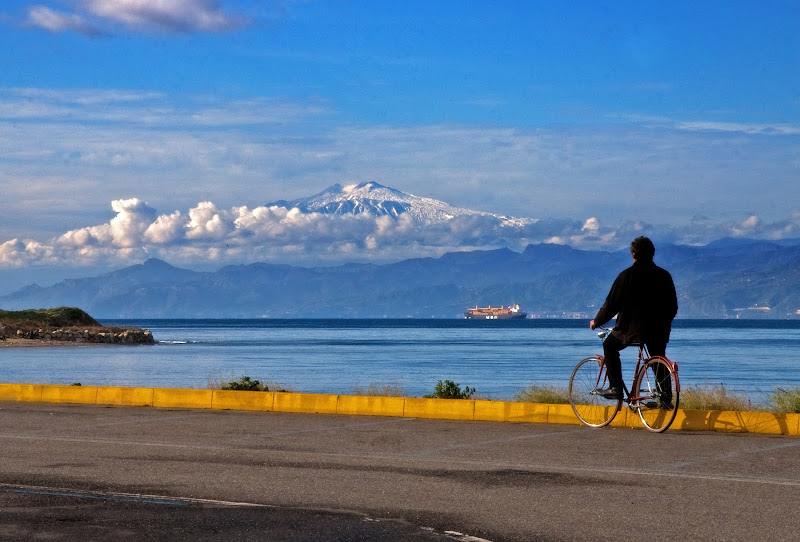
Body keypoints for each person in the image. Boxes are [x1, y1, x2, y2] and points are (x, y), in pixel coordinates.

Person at [589, 236, 678, 401]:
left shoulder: (626, 276)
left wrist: (596, 322)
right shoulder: (664, 275)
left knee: (609, 346)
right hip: (659, 330)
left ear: (633, 254)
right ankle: (666, 399)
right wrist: (663, 322)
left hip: (631, 329)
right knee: (657, 358)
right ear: (652, 254)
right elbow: (673, 307)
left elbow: (610, 305)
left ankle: (615, 387)